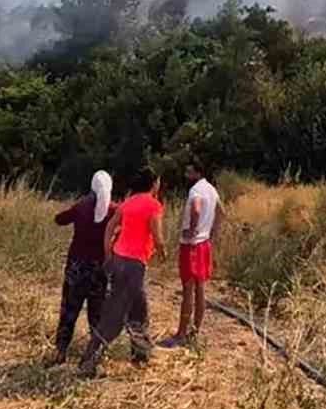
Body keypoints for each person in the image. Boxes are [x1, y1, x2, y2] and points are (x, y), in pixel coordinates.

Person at [77, 168, 164, 377]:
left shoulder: (127, 203)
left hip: (119, 259)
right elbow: (157, 235)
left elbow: (110, 227)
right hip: (133, 265)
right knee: (115, 313)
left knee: (139, 308)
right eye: (158, 182)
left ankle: (140, 354)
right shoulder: (153, 205)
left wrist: (108, 252)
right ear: (153, 184)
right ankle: (89, 360)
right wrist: (163, 251)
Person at [49, 170, 117, 365]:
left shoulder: (82, 207)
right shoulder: (113, 210)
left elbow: (59, 219)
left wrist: (80, 203)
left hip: (76, 267)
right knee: (97, 314)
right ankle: (94, 357)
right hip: (100, 269)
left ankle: (60, 352)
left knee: (69, 310)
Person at [163, 160, 222, 347]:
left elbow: (196, 209)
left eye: (189, 172)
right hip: (204, 244)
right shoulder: (212, 190)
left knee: (188, 290)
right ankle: (195, 332)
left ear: (197, 173)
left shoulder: (195, 190)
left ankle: (181, 334)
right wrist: (212, 233)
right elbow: (221, 212)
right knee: (201, 289)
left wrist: (192, 229)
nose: (186, 175)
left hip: (191, 245)